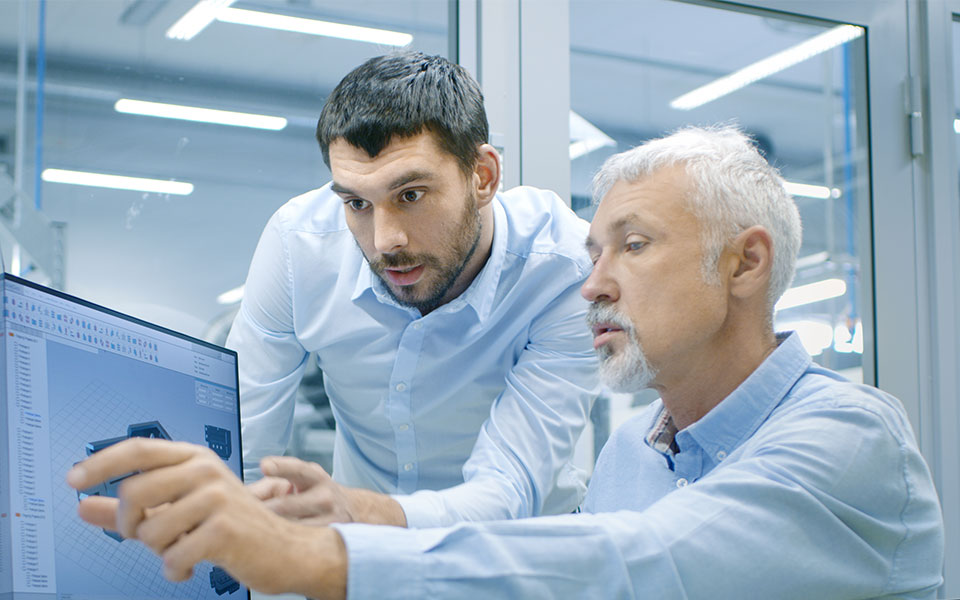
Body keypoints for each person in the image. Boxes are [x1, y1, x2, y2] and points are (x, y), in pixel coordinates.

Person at [68, 126, 944, 599]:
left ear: (744, 265)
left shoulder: (848, 438)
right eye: (593, 251)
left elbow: (638, 565)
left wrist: (319, 555)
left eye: (631, 247)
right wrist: (345, 517)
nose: (590, 283)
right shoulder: (635, 452)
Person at [225, 50, 599, 528]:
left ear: (483, 176)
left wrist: (358, 512)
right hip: (363, 549)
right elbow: (242, 448)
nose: (385, 242)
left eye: (411, 196)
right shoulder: (300, 244)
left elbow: (507, 489)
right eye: (358, 202)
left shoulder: (563, 271)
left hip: (516, 554)